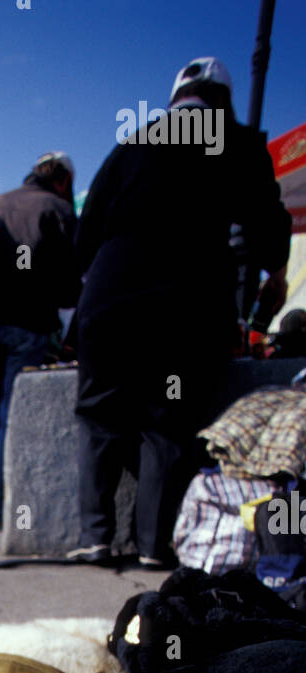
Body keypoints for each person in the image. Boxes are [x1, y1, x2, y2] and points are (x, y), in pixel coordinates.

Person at [70, 57, 291, 567]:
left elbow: (87, 231)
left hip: (110, 295)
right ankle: (153, 545)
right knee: (166, 419)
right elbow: (267, 226)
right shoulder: (237, 143)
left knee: (101, 415)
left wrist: (100, 281)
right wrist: (274, 271)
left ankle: (94, 537)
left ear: (175, 99)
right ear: (224, 100)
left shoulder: (133, 143)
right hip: (187, 301)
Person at [0, 153, 81, 528]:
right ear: (64, 181)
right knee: (12, 416)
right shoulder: (57, 209)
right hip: (27, 322)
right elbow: (70, 280)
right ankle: (4, 507)